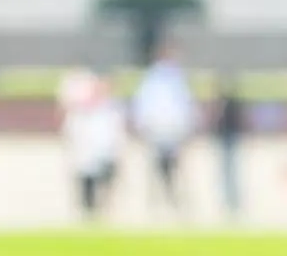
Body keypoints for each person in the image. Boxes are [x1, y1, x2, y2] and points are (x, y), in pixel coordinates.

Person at [130, 47, 200, 214]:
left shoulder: (176, 77)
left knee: (174, 167)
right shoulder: (153, 78)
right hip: (158, 129)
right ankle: (158, 202)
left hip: (172, 130)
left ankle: (174, 201)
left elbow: (185, 105)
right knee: (158, 167)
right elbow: (144, 104)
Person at [60, 69, 124, 221]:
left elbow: (117, 133)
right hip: (86, 155)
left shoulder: (113, 108)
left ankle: (105, 217)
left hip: (107, 154)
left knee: (107, 189)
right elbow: (71, 130)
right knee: (87, 192)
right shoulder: (82, 109)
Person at [211, 74, 251, 219]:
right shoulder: (220, 104)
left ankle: (234, 202)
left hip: (231, 139)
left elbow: (238, 121)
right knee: (225, 173)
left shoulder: (232, 104)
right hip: (224, 140)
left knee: (232, 172)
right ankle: (227, 202)